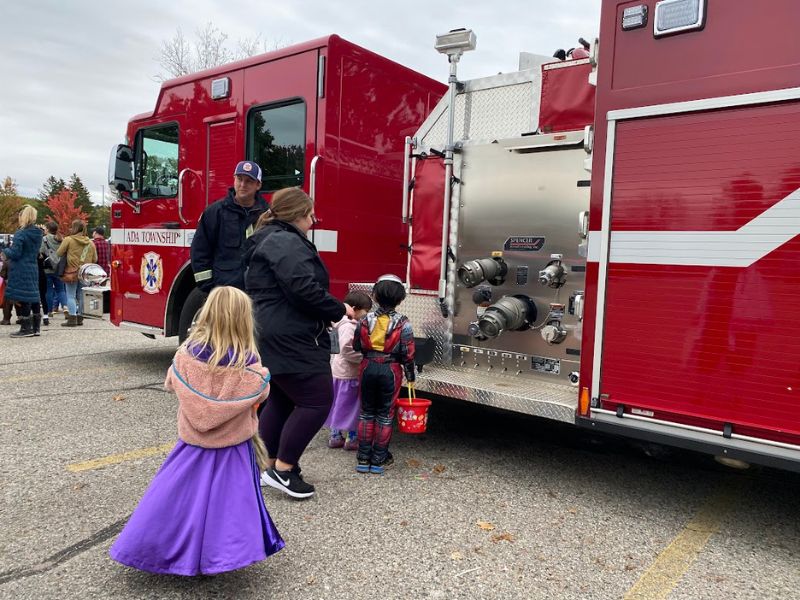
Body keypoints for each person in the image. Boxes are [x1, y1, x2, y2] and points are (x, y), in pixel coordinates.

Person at [109, 286, 284, 576]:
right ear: (244, 319)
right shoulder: (249, 364)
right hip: (234, 447)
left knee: (175, 501)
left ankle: (154, 548)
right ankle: (223, 556)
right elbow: (261, 393)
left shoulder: (186, 356)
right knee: (228, 507)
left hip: (192, 445)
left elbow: (170, 383)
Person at [245, 187, 354, 499]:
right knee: (317, 400)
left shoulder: (269, 237)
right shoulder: (285, 241)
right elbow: (302, 287)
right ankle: (284, 469)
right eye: (309, 215)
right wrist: (337, 309)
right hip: (291, 334)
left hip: (270, 331)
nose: (312, 220)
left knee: (281, 399)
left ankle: (267, 466)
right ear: (296, 215)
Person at [353, 274, 417, 474]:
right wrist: (411, 376)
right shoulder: (404, 323)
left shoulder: (365, 320)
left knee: (366, 412)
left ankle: (363, 458)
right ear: (400, 299)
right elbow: (408, 353)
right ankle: (379, 460)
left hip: (367, 366)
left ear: (375, 295)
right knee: (385, 415)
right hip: (391, 370)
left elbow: (357, 345)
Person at [191, 160, 269, 294]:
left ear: (258, 185)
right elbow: (200, 251)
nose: (243, 185)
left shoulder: (267, 215)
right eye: (239, 179)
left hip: (258, 293)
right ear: (234, 180)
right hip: (225, 293)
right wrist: (209, 288)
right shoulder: (215, 212)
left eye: (249, 181)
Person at [325, 290, 373, 450]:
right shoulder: (350, 326)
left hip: (338, 371)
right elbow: (347, 349)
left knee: (338, 404)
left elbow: (338, 348)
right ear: (355, 308)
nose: (367, 315)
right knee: (352, 407)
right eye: (366, 311)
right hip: (349, 373)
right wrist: (364, 357)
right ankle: (352, 439)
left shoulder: (339, 323)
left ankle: (335, 435)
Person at [1, 206, 44, 338]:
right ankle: (36, 327)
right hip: (32, 267)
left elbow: (15, 253)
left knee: (23, 296)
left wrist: (3, 249)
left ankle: (26, 328)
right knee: (34, 295)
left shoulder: (21, 233)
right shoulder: (38, 233)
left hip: (20, 268)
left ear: (22, 217)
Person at [56, 220, 97, 327]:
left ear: (74, 228)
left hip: (71, 272)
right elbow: (95, 258)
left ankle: (72, 318)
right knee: (81, 295)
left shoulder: (69, 240)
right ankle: (80, 317)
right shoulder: (91, 242)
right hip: (85, 273)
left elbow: (59, 253)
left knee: (70, 295)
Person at [40, 221, 67, 320]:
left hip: (48, 268)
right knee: (61, 289)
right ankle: (65, 307)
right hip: (59, 268)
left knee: (48, 290)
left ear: (47, 229)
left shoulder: (44, 239)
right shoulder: (62, 239)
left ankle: (50, 310)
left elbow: (41, 252)